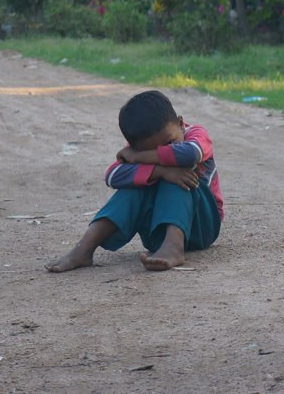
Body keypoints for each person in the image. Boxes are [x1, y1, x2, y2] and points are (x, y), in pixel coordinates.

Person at [46, 90, 223, 273]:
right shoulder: (140, 148)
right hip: (156, 233)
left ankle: (174, 246)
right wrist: (160, 171)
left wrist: (140, 157)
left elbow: (190, 155)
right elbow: (112, 176)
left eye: (170, 142)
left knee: (177, 173)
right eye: (148, 151)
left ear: (180, 123)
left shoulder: (196, 135)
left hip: (202, 225)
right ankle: (84, 248)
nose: (159, 152)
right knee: (137, 185)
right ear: (134, 146)